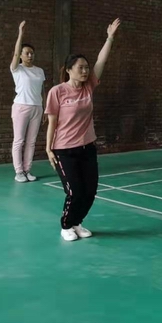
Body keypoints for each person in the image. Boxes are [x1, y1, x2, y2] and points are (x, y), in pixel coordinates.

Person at [45, 18, 121, 242]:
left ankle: (77, 222)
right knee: (74, 191)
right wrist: (48, 149)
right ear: (69, 70)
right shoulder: (57, 92)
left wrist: (110, 38)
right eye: (81, 68)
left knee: (90, 191)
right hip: (64, 150)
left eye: (87, 68)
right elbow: (52, 123)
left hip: (87, 148)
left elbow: (101, 60)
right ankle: (66, 225)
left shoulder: (89, 87)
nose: (86, 71)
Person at [10, 21, 46, 183]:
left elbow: (42, 90)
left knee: (31, 142)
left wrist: (45, 108)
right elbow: (15, 53)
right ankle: (19, 172)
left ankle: (27, 170)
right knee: (19, 140)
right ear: (21, 55)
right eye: (27, 53)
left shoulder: (39, 71)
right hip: (21, 107)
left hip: (37, 108)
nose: (30, 55)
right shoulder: (17, 69)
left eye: (32, 53)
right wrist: (20, 34)